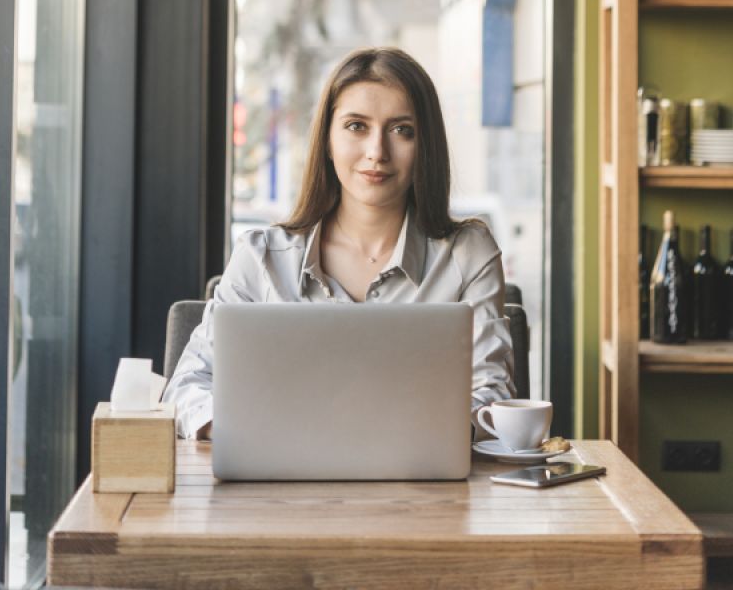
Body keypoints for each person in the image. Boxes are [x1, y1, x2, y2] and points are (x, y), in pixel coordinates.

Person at [164, 46, 516, 440]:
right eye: (356, 126)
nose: (377, 152)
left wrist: (392, 436)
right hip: (278, 490)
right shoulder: (261, 257)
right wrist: (255, 432)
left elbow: (490, 396)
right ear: (328, 141)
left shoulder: (468, 254)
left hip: (423, 491)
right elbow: (186, 387)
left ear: (426, 147)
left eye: (402, 130)